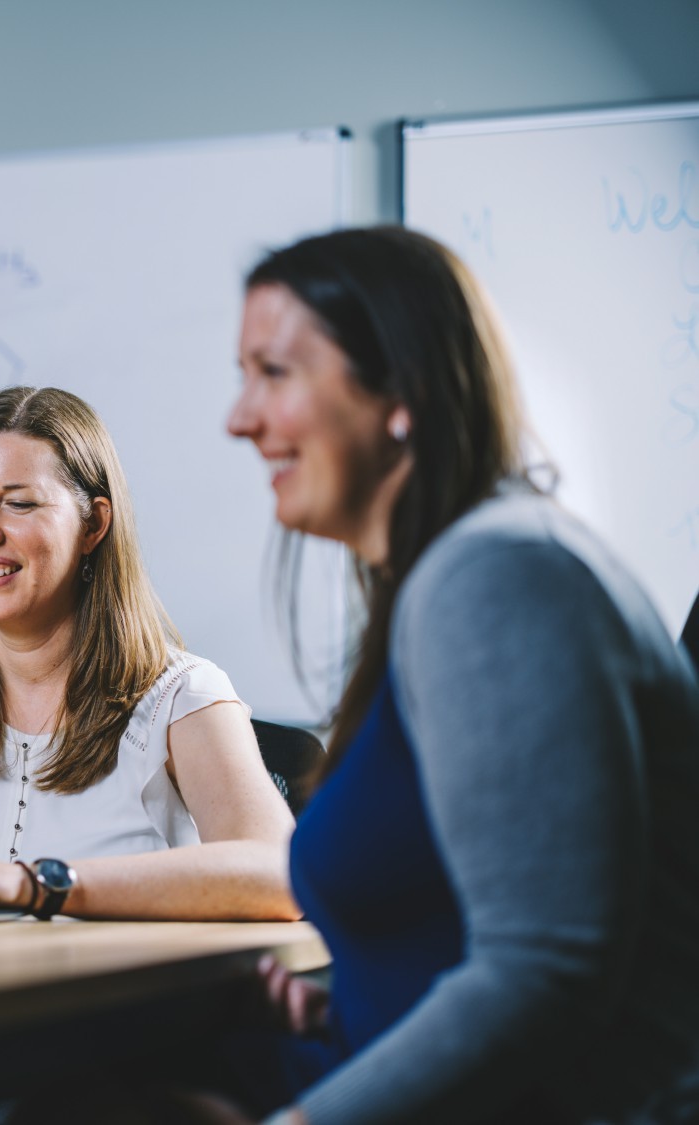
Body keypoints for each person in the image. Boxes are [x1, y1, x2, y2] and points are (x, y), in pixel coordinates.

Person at [193, 225, 699, 1124]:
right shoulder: (459, 572)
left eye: (274, 373)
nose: (238, 418)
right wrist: (352, 1009)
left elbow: (546, 971)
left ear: (403, 392)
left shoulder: (496, 577)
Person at [0, 385, 297, 923]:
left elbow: (281, 876)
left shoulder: (181, 698)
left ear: (94, 524)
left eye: (20, 503)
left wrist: (38, 885)